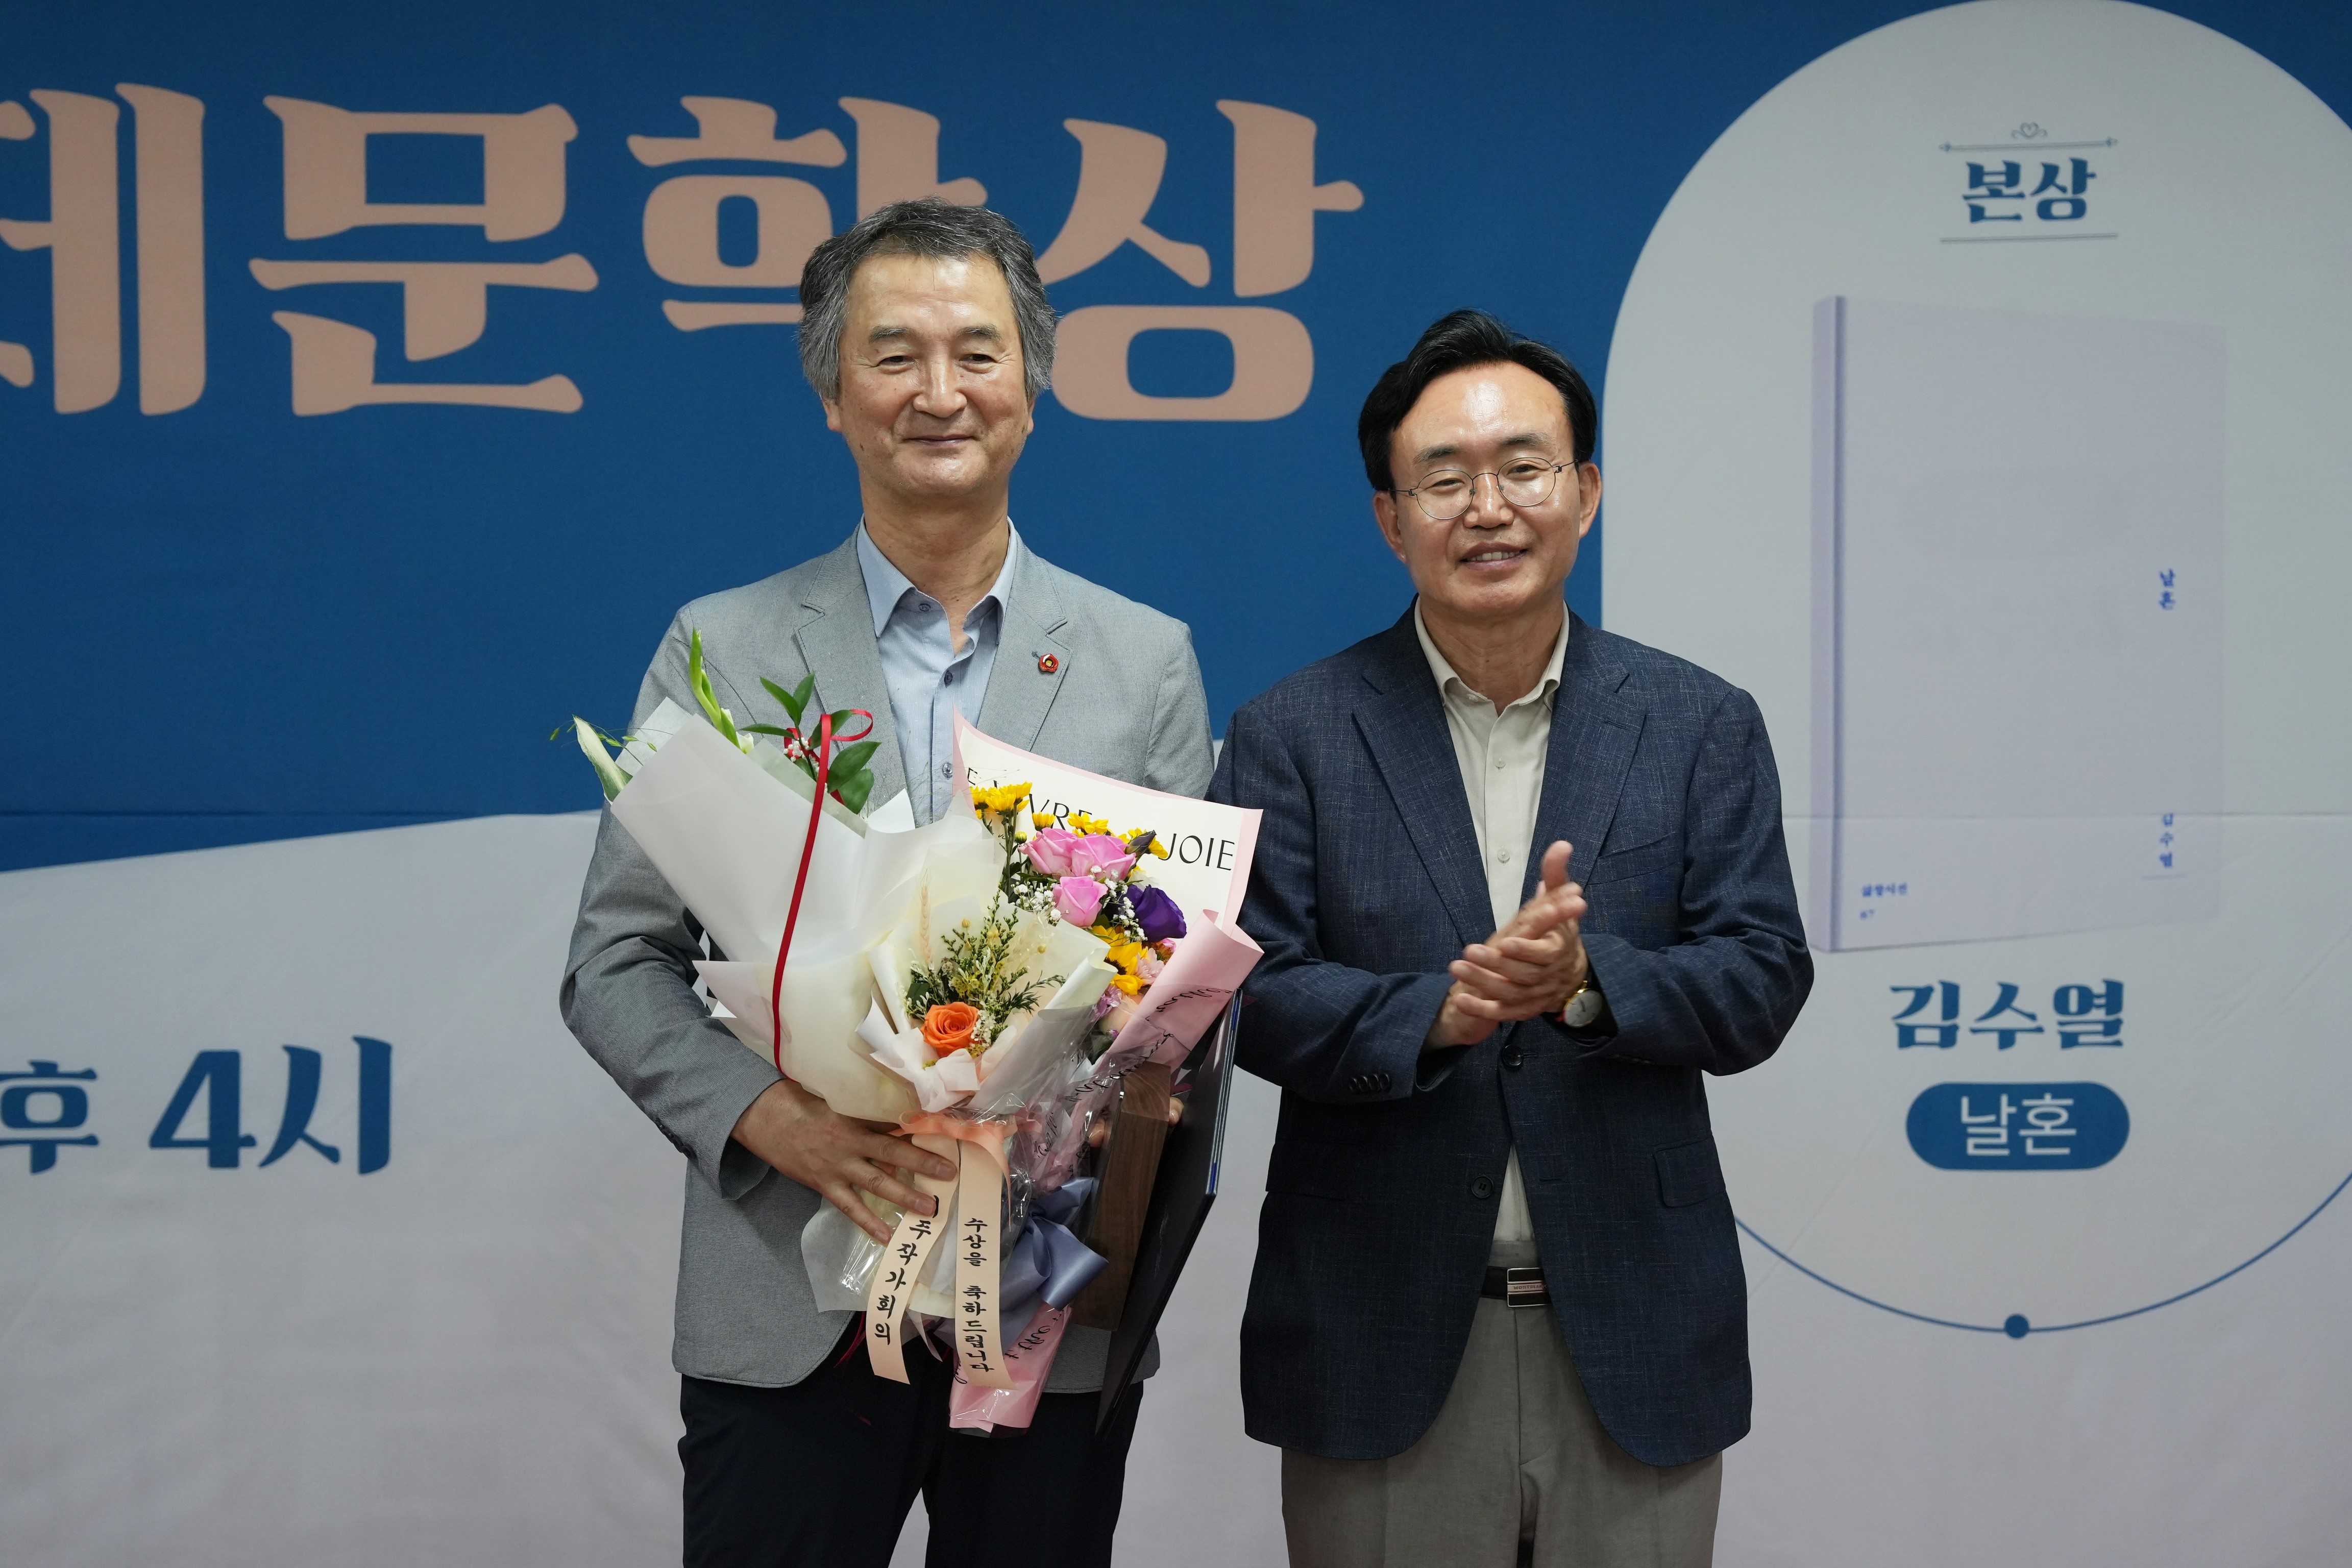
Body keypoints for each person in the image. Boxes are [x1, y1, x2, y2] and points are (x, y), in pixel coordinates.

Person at [562, 198, 1214, 1568]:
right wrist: (771, 1118)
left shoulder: (1141, 660)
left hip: (1039, 1298)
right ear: (833, 393)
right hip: (787, 1293)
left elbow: (1179, 987)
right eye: (894, 354)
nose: (938, 391)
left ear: (1031, 384)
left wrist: (1095, 1123)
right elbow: (614, 963)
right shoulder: (725, 647)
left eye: (976, 352)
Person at [1209, 309, 1812, 1567]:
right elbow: (1240, 991)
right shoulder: (1293, 733)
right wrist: (1433, 1013)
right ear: (1392, 519)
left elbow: (1762, 974)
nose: (1488, 507)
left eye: (1524, 468)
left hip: (1635, 1332)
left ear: (1585, 492)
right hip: (1380, 1327)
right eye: (1444, 478)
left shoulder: (1697, 722)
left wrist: (1588, 983)